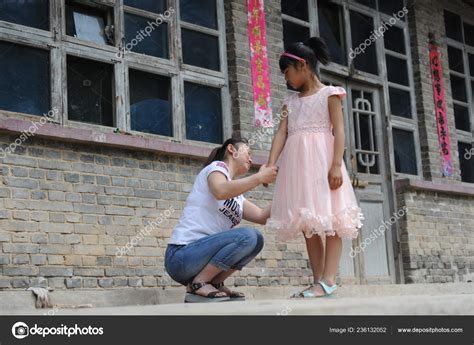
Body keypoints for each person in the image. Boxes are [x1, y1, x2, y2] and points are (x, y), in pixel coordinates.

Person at [266, 37, 364, 298]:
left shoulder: (330, 94)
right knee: (308, 223)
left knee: (332, 219)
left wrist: (335, 165)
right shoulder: (290, 102)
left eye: (287, 70)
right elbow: (281, 134)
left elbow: (340, 131)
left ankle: (329, 279)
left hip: (324, 164)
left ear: (303, 65)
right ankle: (318, 280)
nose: (286, 77)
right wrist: (270, 163)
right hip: (299, 169)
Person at [165, 137, 278, 302]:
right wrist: (259, 178)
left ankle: (214, 283)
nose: (251, 159)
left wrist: (286, 189)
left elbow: (261, 216)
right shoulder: (216, 168)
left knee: (257, 239)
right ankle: (199, 284)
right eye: (248, 152)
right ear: (232, 150)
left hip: (199, 260)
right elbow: (220, 191)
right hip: (181, 256)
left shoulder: (237, 195)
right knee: (248, 236)